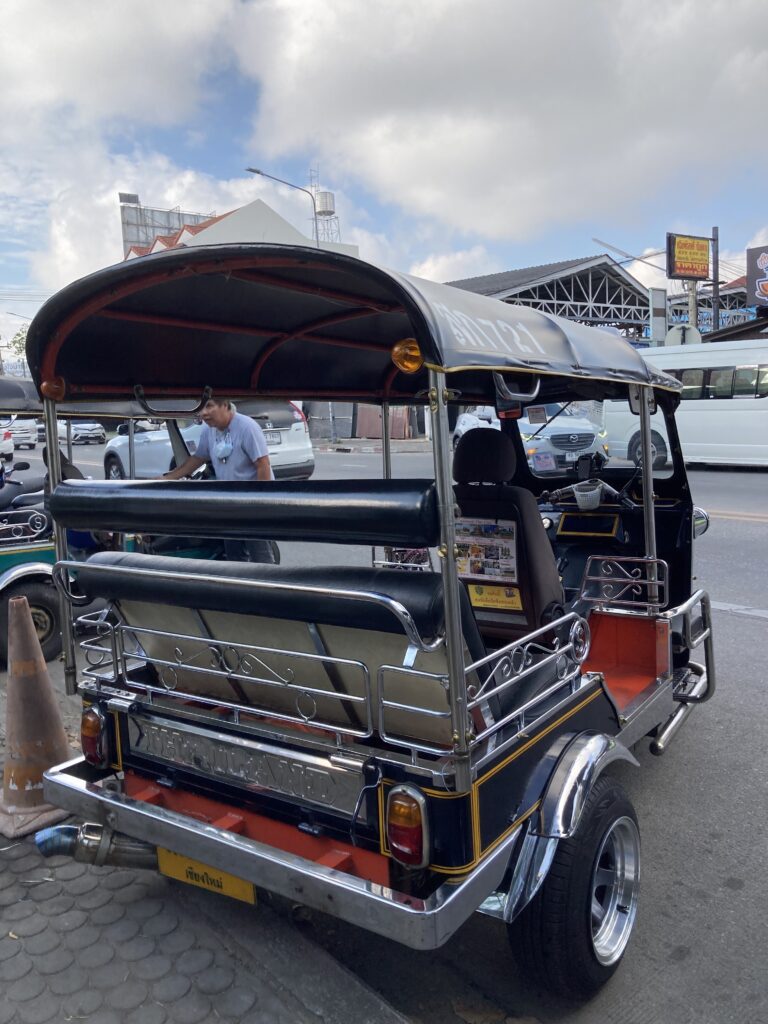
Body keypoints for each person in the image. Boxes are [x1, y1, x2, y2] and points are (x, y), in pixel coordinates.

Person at [163, 397, 276, 563]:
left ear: (225, 405)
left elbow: (263, 465)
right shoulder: (209, 431)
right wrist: (169, 477)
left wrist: (260, 504)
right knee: (234, 556)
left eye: (209, 406)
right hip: (229, 503)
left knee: (260, 556)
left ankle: (269, 588)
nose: (203, 413)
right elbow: (198, 458)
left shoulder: (247, 427)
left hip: (251, 504)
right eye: (200, 408)